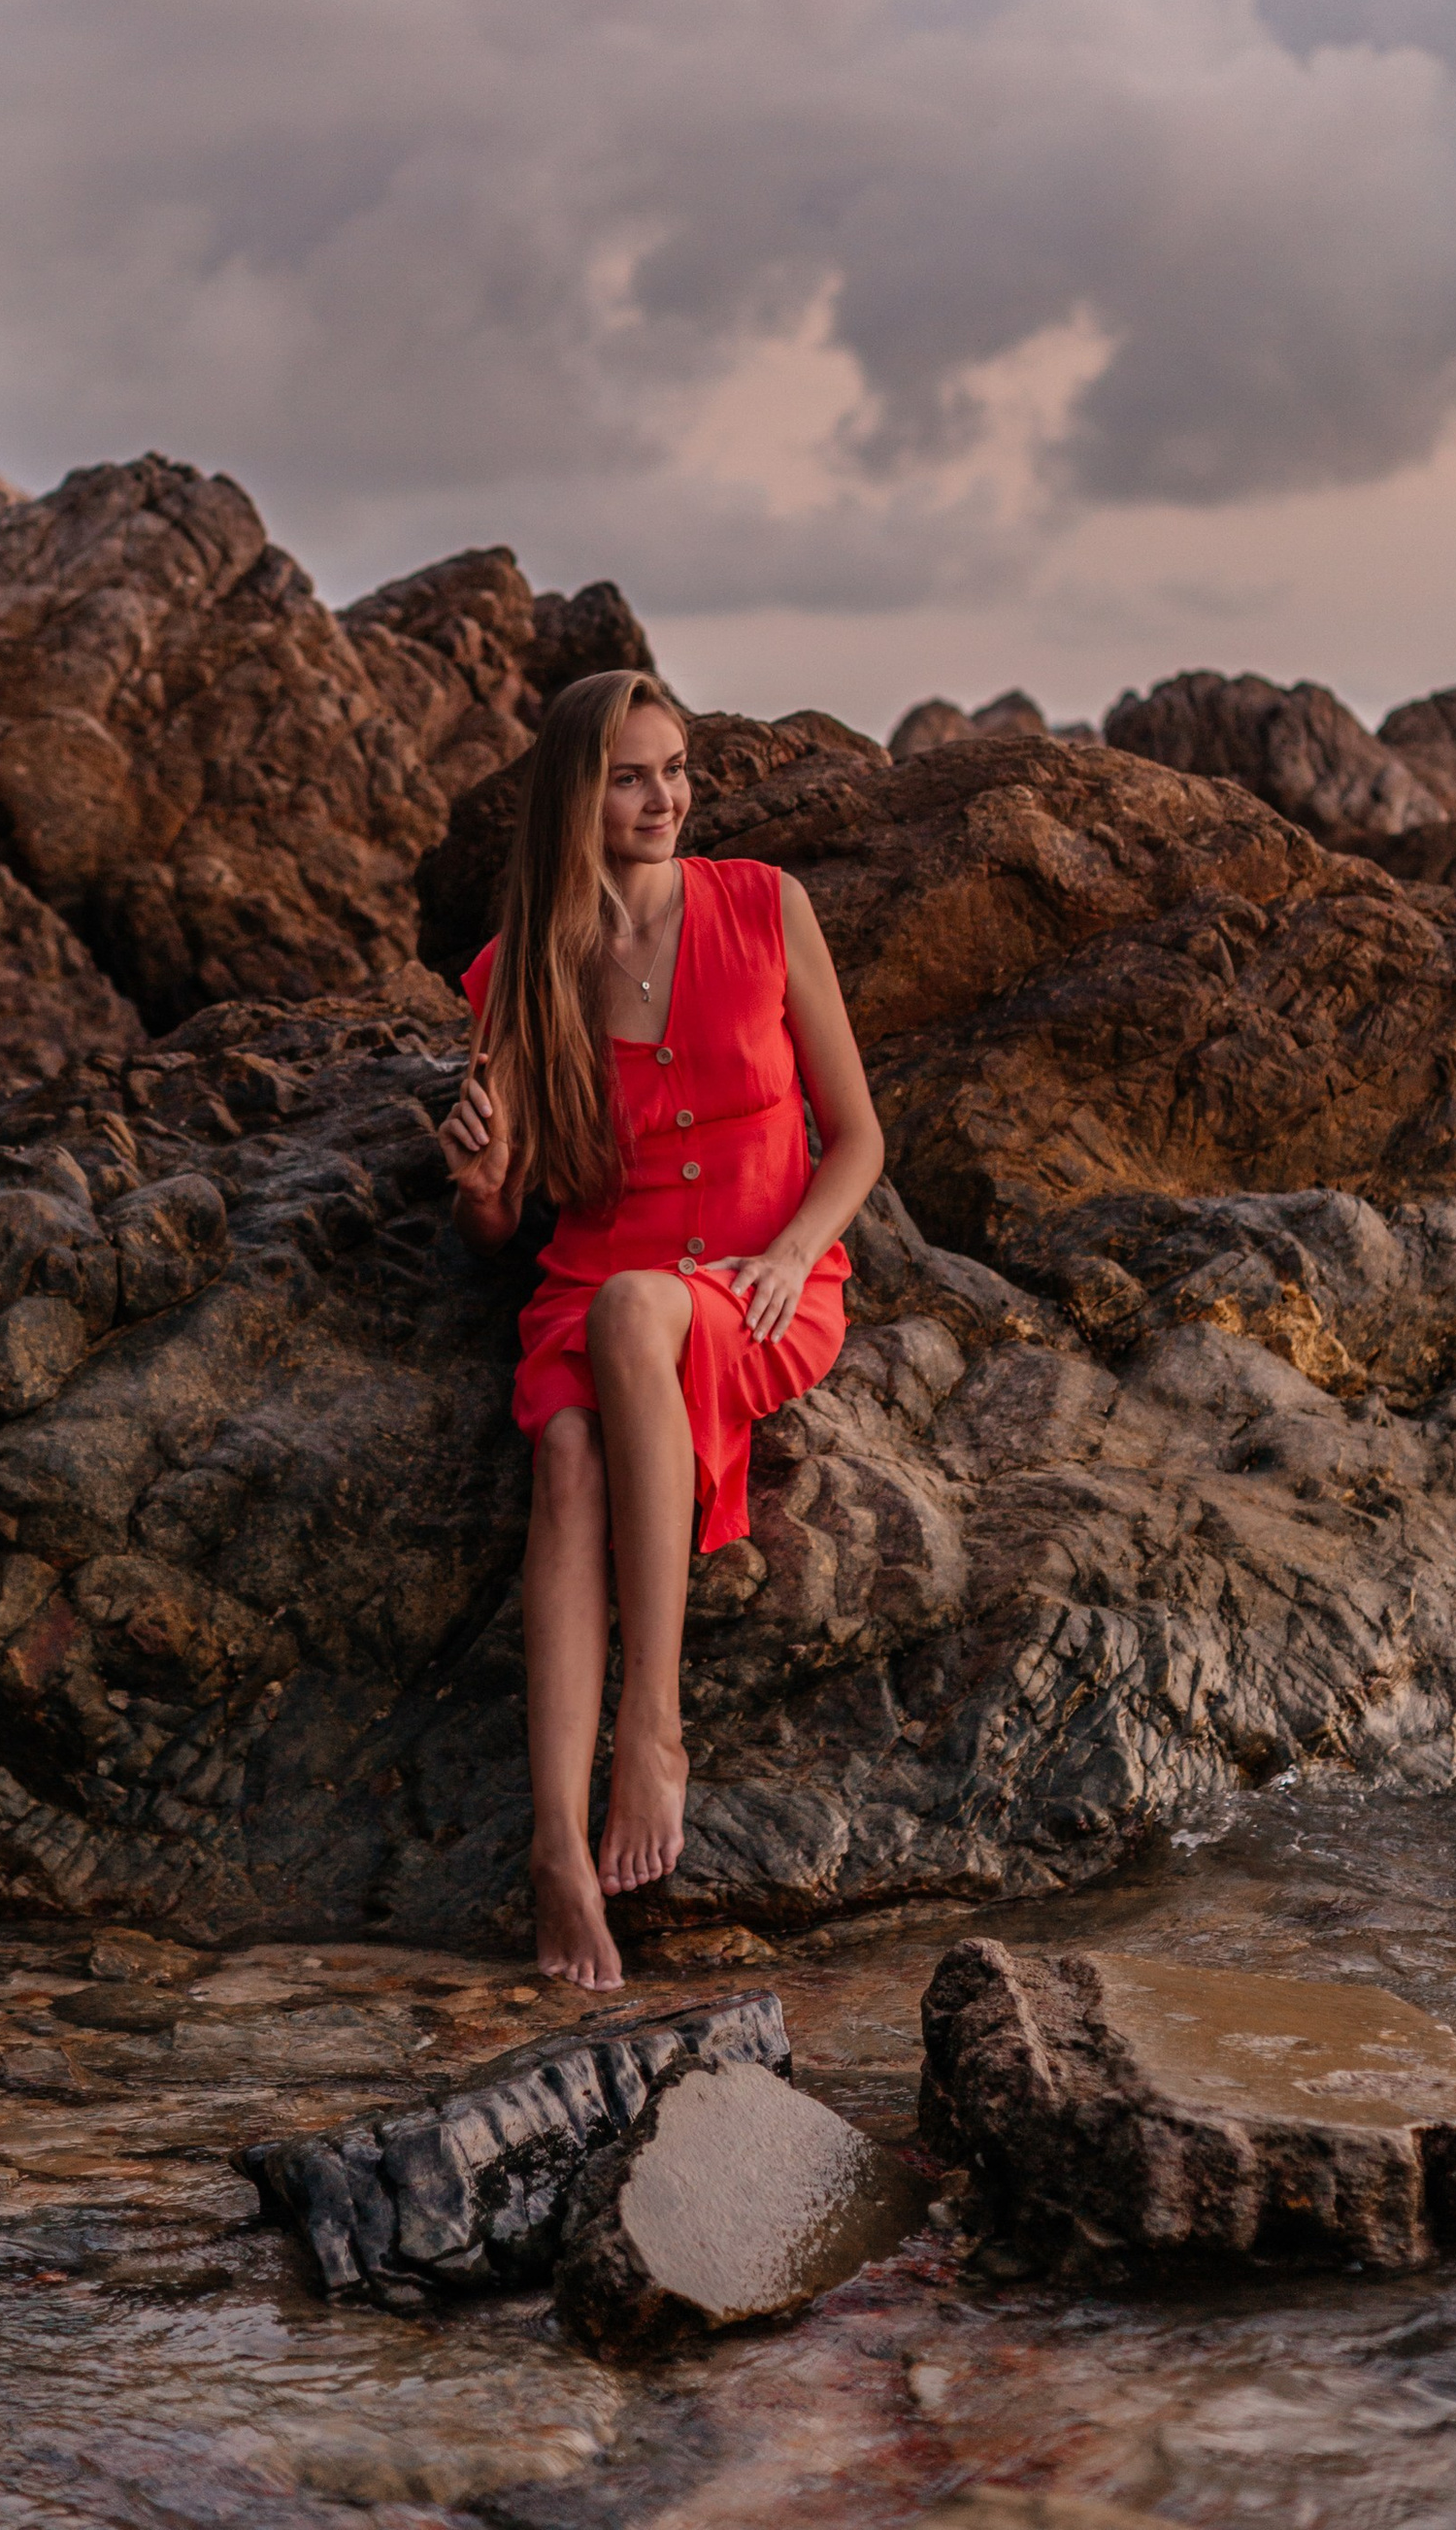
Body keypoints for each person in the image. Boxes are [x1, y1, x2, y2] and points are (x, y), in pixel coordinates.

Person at [440, 670, 884, 1990]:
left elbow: (858, 1137)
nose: (664, 798)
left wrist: (796, 1252)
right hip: (596, 1279)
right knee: (566, 1458)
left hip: (760, 1286)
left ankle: (654, 1726)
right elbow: (503, 1223)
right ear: (579, 796)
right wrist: (472, 1181)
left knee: (644, 1315)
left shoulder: (766, 906)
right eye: (631, 776)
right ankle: (558, 1854)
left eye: (676, 769)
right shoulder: (523, 972)